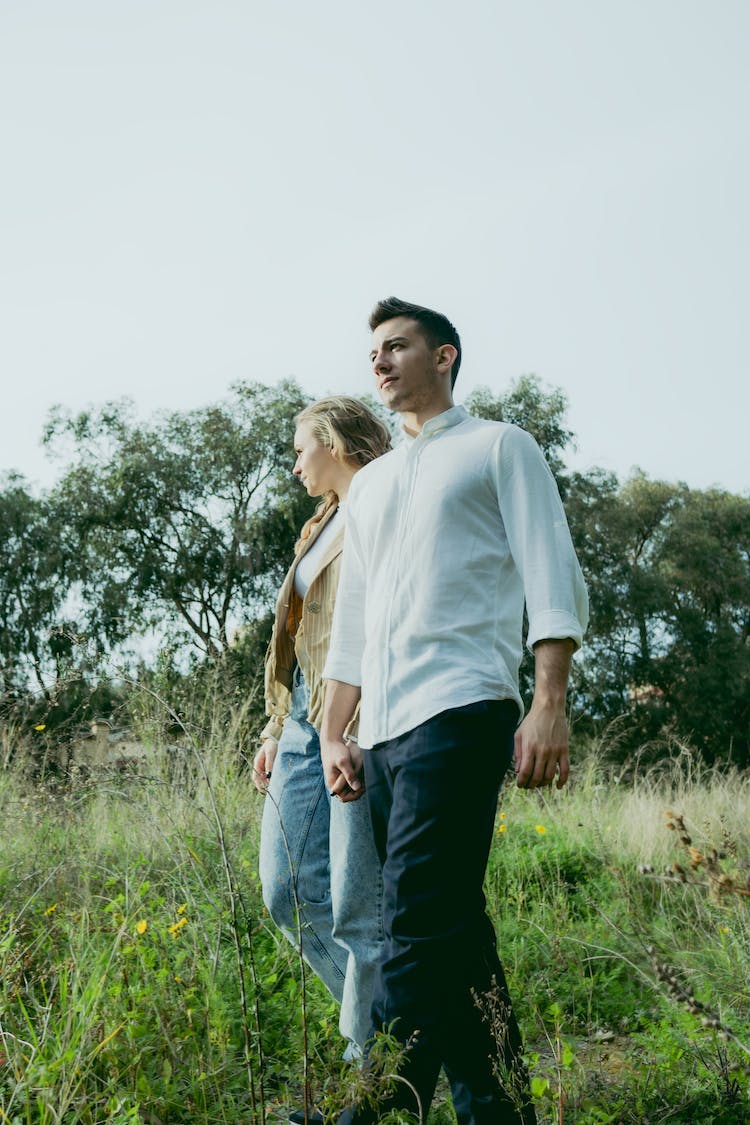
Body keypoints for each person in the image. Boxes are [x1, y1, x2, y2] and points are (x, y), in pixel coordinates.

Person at [320, 298, 589, 1125]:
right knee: (454, 929)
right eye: (373, 351)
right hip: (386, 730)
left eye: (397, 346)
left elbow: (553, 575)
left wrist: (549, 702)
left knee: (413, 914)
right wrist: (336, 729)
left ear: (445, 356)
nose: (381, 362)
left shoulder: (499, 448)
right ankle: (495, 1109)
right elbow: (354, 621)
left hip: (464, 707)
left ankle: (372, 1102)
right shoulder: (372, 488)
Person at [253, 396, 391, 1088]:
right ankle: (390, 1032)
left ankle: (372, 1064)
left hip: (358, 721)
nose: (295, 460)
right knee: (283, 890)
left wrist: (356, 727)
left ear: (336, 442)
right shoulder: (322, 521)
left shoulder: (382, 500)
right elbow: (296, 632)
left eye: (302, 446)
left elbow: (379, 622)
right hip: (307, 722)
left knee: (354, 903)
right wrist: (278, 725)